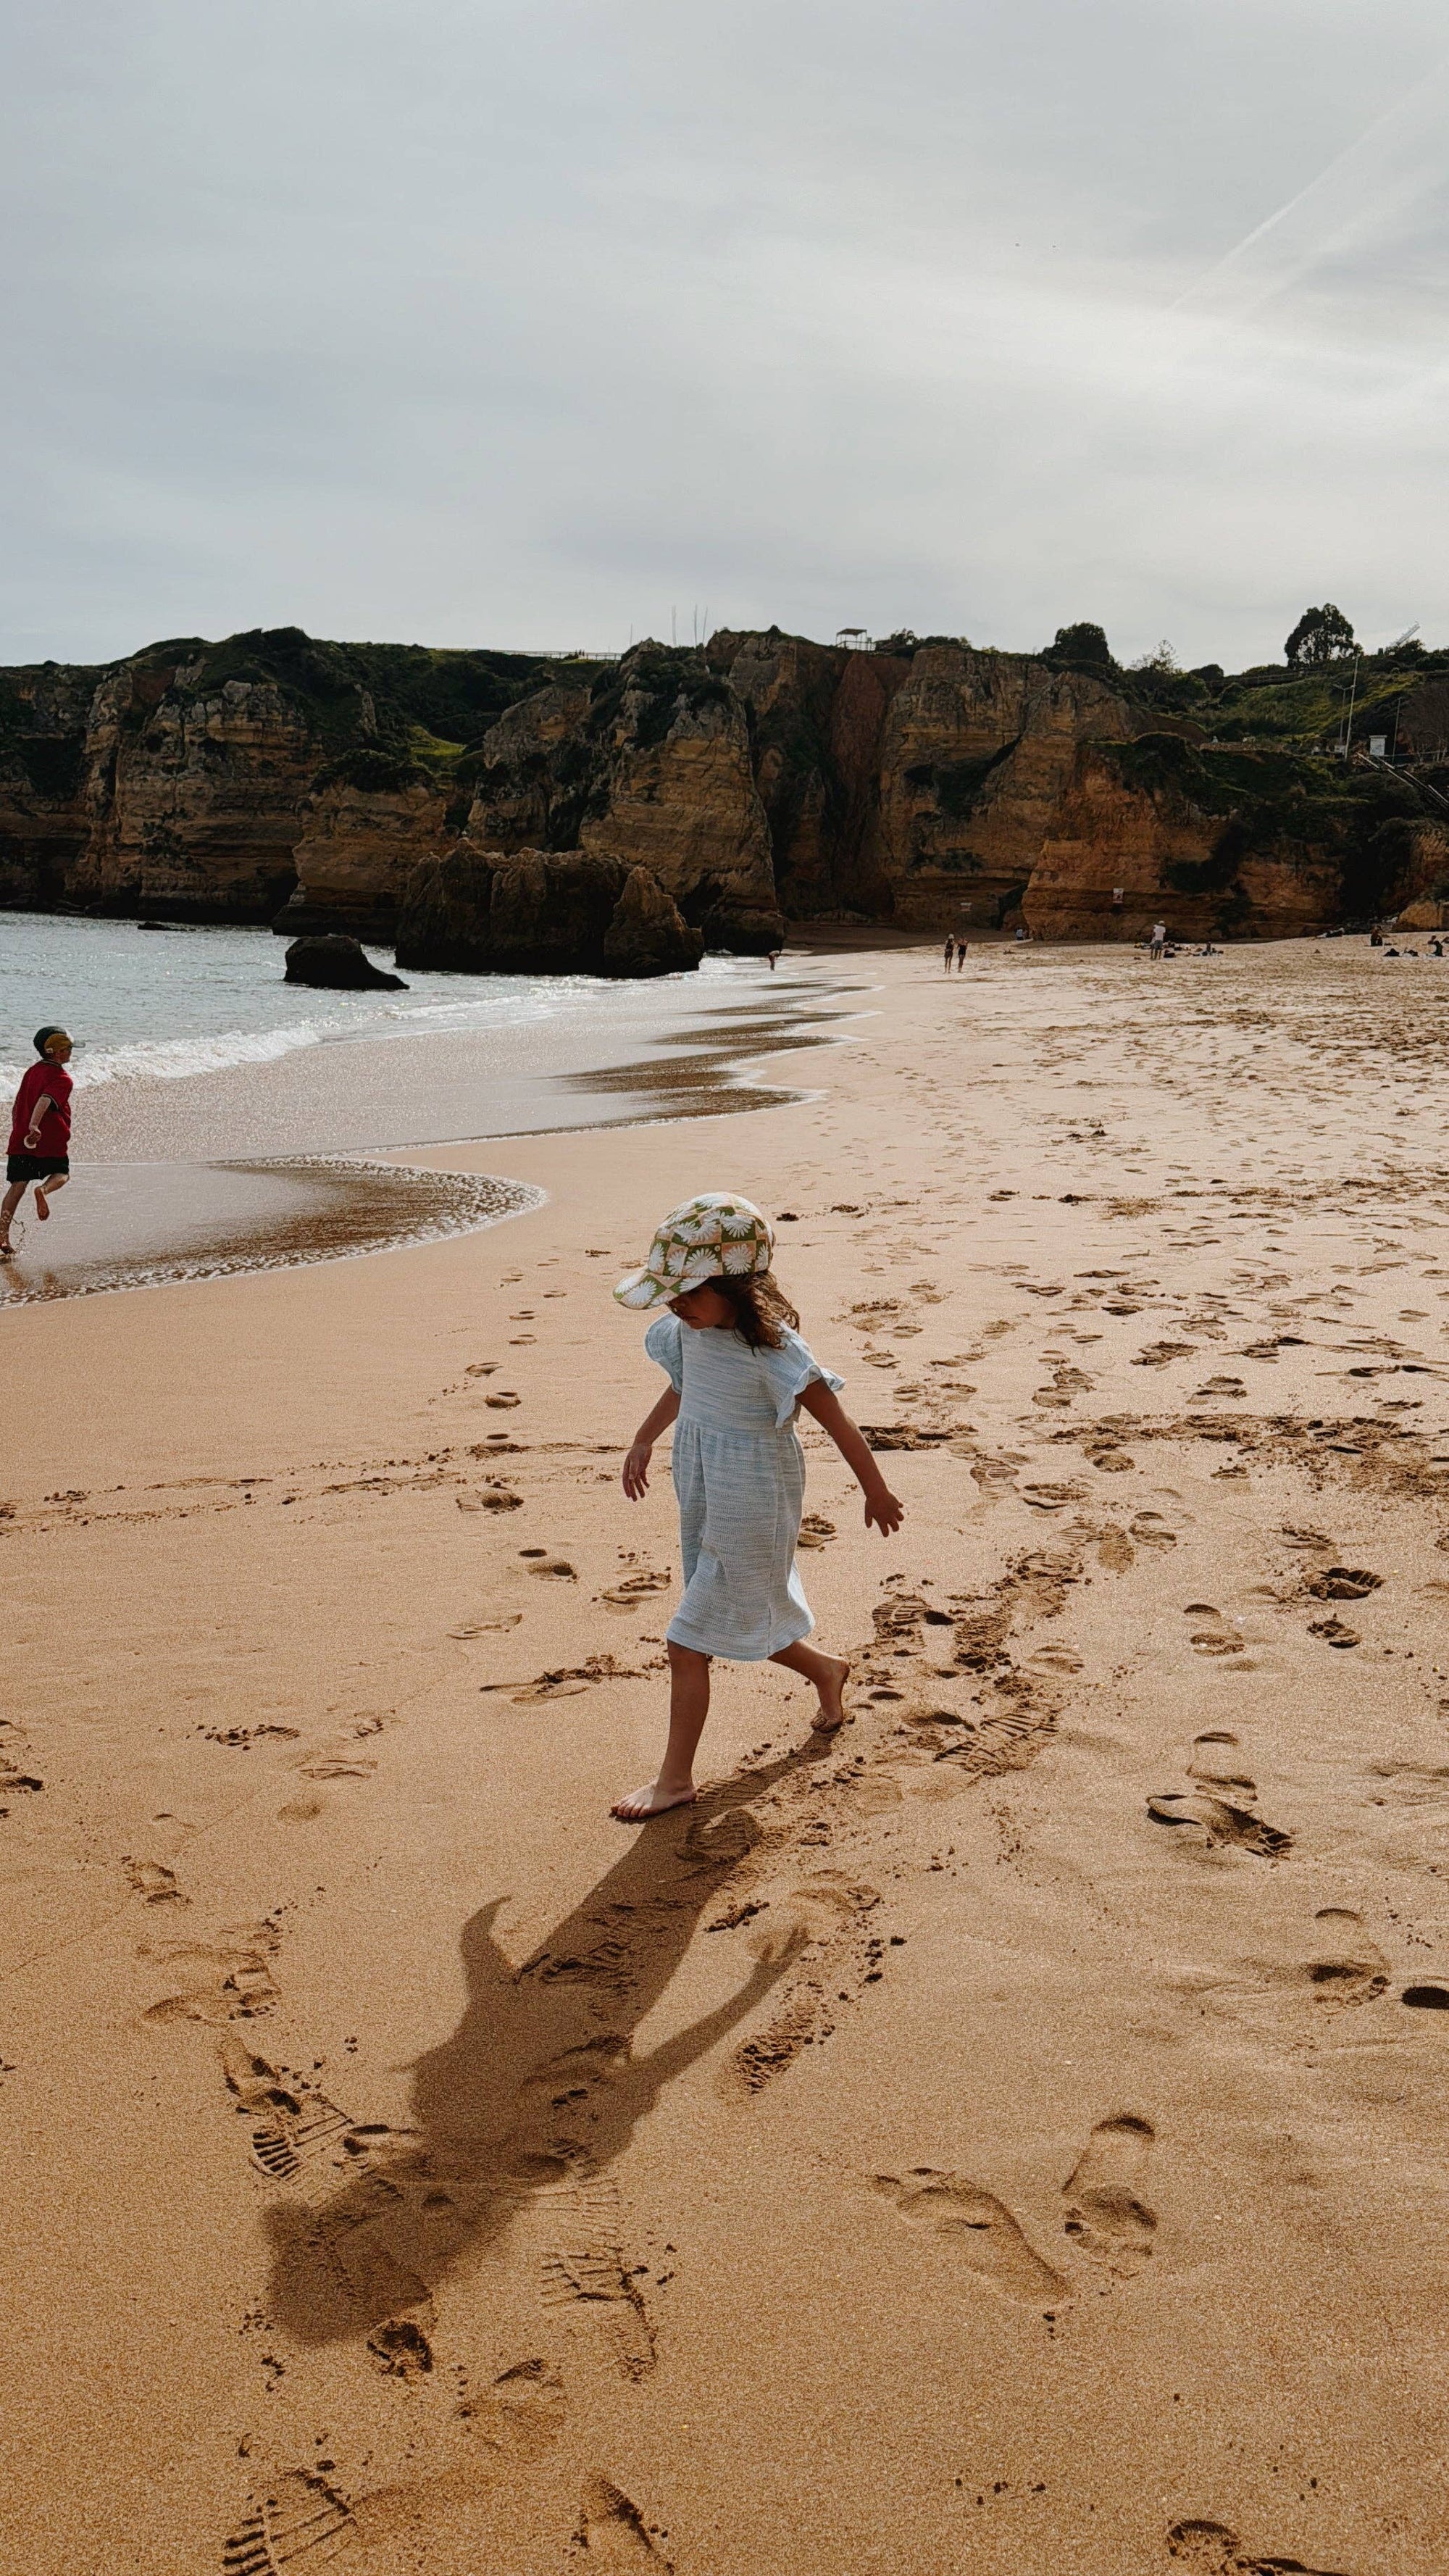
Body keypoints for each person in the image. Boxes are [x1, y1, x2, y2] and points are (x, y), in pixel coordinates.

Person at [610, 1192, 903, 1822]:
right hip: (704, 1488)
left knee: (688, 1639)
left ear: (735, 1287)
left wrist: (875, 1489)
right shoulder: (689, 1332)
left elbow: (839, 1423)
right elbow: (681, 1387)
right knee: (739, 1611)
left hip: (756, 1496)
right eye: (670, 1291)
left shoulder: (774, 1351)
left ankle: (675, 1780)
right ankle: (826, 1670)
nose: (675, 1303)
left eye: (688, 1291)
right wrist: (643, 1437)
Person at [1, 1025, 73, 1257]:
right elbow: (44, 1101)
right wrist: (34, 1126)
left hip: (22, 1140)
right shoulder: (62, 1078)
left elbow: (17, 1104)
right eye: (67, 1048)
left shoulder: (31, 1072)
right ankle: (43, 1190)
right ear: (55, 1052)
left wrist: (20, 1130)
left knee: (17, 1185)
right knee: (61, 1174)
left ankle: (2, 1236)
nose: (71, 1050)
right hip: (48, 1137)